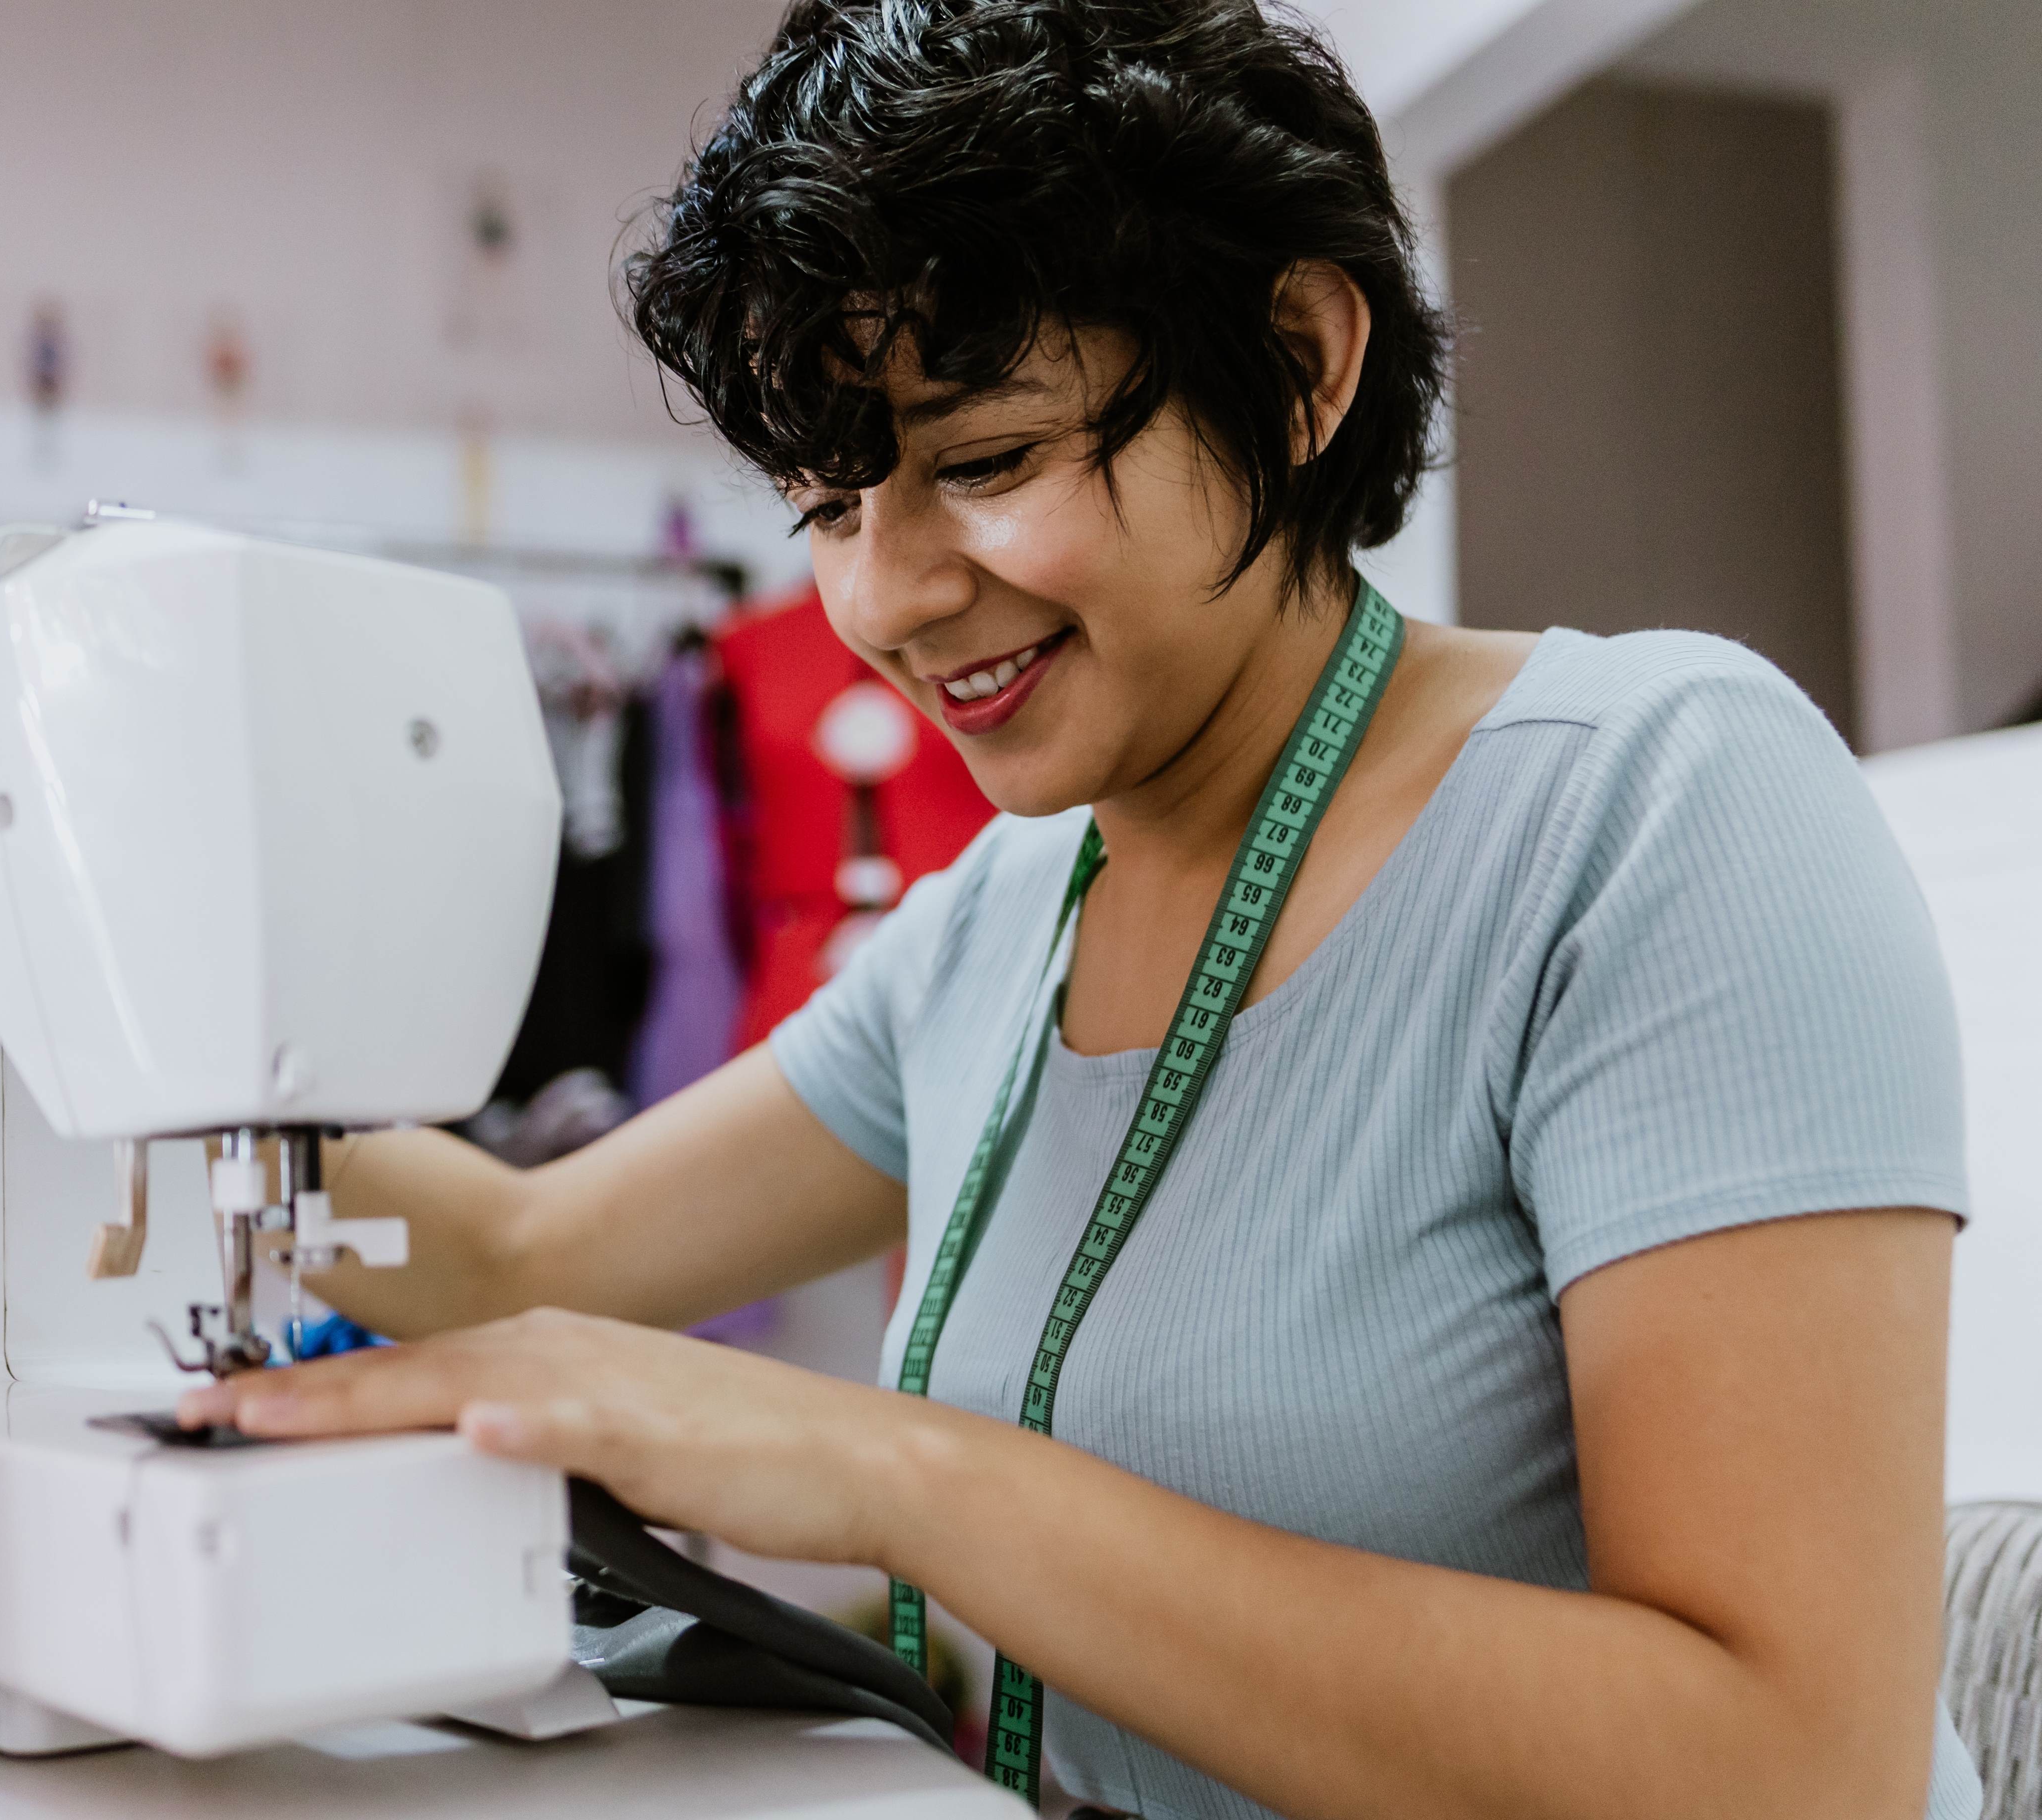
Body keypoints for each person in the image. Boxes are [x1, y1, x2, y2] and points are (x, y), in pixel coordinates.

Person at [180, 4, 1979, 1815]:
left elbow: (1796, 1767)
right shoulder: (1000, 919)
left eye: (984, 463)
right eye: (824, 503)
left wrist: (897, 1475)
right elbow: (517, 1258)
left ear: (1295, 363)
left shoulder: (1655, 807)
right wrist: (89, 1038)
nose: (883, 600)